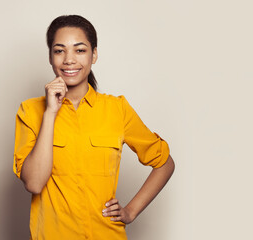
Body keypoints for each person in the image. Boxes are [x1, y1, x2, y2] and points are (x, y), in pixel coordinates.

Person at [13, 15, 175, 240]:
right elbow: (34, 183)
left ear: (94, 55)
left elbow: (164, 163)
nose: (69, 59)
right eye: (60, 51)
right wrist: (50, 112)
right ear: (50, 57)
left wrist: (131, 211)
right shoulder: (30, 112)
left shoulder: (117, 109)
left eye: (80, 50)